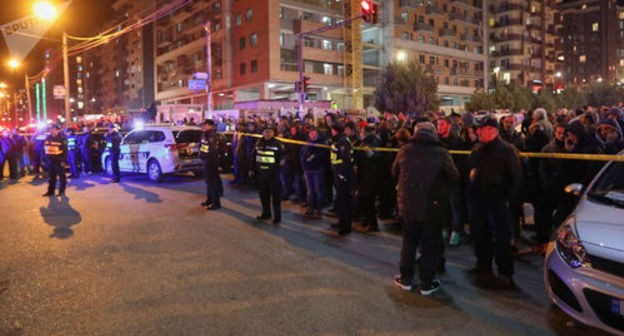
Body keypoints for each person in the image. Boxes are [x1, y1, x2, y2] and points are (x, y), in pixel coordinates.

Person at [392, 122, 459, 295]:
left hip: (407, 205)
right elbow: (454, 176)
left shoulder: (405, 150)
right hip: (432, 206)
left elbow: (394, 172)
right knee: (429, 245)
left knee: (409, 243)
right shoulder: (441, 152)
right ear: (434, 133)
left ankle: (406, 279)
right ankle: (426, 283)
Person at [466, 114, 523, 287]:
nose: (478, 132)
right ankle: (483, 266)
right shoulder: (478, 149)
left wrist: (508, 201)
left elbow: (517, 178)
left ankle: (505, 273)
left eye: (481, 129)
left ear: (492, 130)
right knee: (480, 235)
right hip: (479, 200)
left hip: (498, 201)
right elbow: (469, 172)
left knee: (501, 239)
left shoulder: (507, 150)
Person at [254, 128, 285, 224]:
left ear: (273, 133)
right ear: (263, 133)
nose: (267, 133)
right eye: (266, 131)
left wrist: (283, 161)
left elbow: (284, 155)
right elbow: (254, 156)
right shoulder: (258, 143)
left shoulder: (278, 143)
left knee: (275, 197)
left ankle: (277, 217)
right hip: (261, 173)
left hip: (273, 174)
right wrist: (252, 169)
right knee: (263, 195)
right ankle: (266, 213)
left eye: (270, 132)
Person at [328, 121, 354, 236]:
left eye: (332, 130)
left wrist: (342, 175)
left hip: (343, 176)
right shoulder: (338, 141)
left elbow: (346, 160)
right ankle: (341, 221)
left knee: (345, 201)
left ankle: (346, 226)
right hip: (338, 174)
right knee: (340, 200)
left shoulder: (343, 142)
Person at [301, 127, 329, 218]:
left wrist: (314, 156)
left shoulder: (321, 144)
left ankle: (319, 209)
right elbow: (302, 156)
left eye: (314, 134)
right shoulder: (307, 144)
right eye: (311, 134)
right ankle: (311, 207)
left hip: (318, 170)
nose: (313, 135)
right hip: (308, 170)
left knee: (318, 190)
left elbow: (324, 156)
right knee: (310, 191)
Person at [199, 119, 223, 210]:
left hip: (211, 162)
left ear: (209, 126)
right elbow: (202, 147)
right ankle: (209, 200)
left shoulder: (212, 135)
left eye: (205, 125)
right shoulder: (205, 135)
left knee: (212, 183)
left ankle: (216, 203)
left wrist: (211, 161)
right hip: (206, 161)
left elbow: (213, 151)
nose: (203, 127)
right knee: (208, 182)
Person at [42, 125, 68, 196]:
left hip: (58, 160)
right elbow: (44, 149)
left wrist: (63, 161)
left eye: (54, 129)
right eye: (51, 129)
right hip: (50, 160)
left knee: (61, 177)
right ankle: (51, 191)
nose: (52, 131)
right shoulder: (48, 138)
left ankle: (61, 191)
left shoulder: (62, 138)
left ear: (57, 130)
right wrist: (44, 159)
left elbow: (65, 151)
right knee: (51, 177)